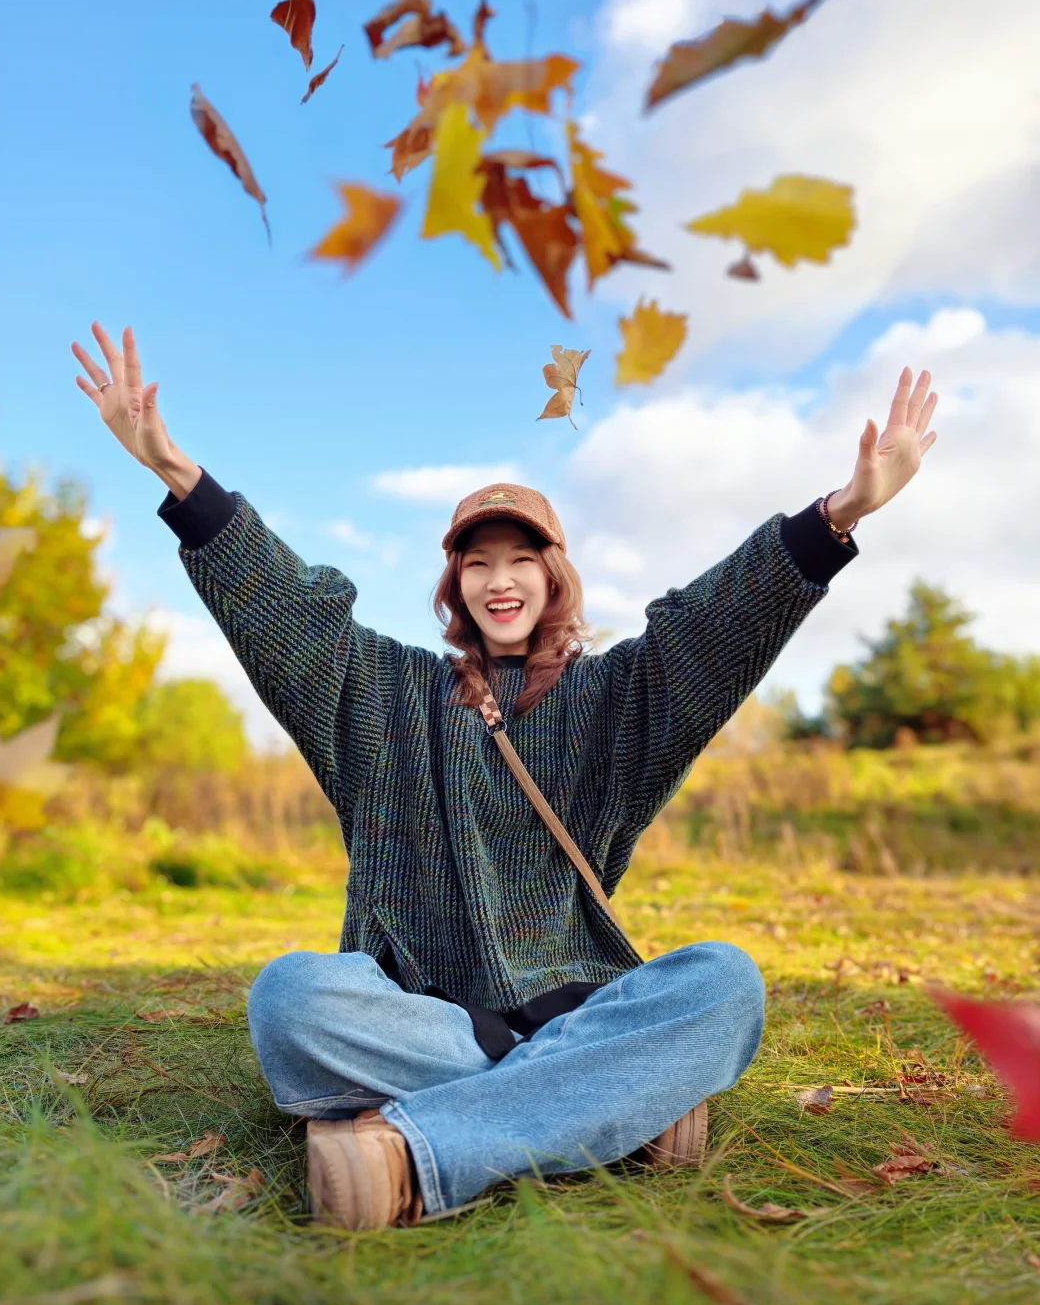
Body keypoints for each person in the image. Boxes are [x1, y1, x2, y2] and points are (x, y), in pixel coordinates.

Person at [72, 321, 938, 1230]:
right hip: (425, 1019)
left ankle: (415, 1153)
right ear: (456, 585)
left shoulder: (614, 700)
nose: (500, 579)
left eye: (521, 558)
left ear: (553, 576)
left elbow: (709, 632)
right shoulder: (386, 693)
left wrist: (839, 514)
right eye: (478, 562)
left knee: (725, 985)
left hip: (575, 1004)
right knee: (290, 999)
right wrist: (174, 470)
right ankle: (614, 1103)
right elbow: (290, 617)